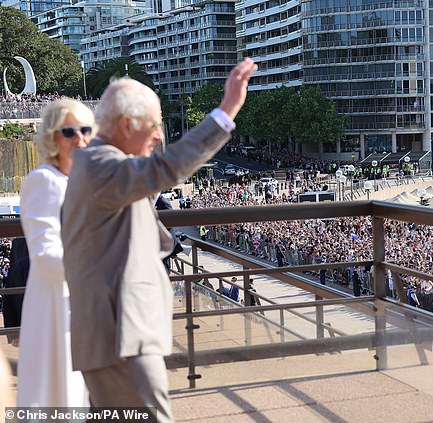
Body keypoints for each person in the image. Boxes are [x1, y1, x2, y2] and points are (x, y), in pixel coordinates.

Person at [61, 59, 257, 421]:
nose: (158, 136)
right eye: (154, 126)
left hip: (110, 336)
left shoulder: (97, 164)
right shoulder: (103, 165)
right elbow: (166, 169)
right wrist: (227, 110)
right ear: (126, 125)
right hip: (120, 338)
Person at [18, 98, 94, 407]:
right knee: (61, 399)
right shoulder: (43, 181)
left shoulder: (80, 181)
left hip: (85, 306)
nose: (80, 138)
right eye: (69, 132)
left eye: (86, 130)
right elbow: (45, 254)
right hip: (58, 308)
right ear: (52, 137)